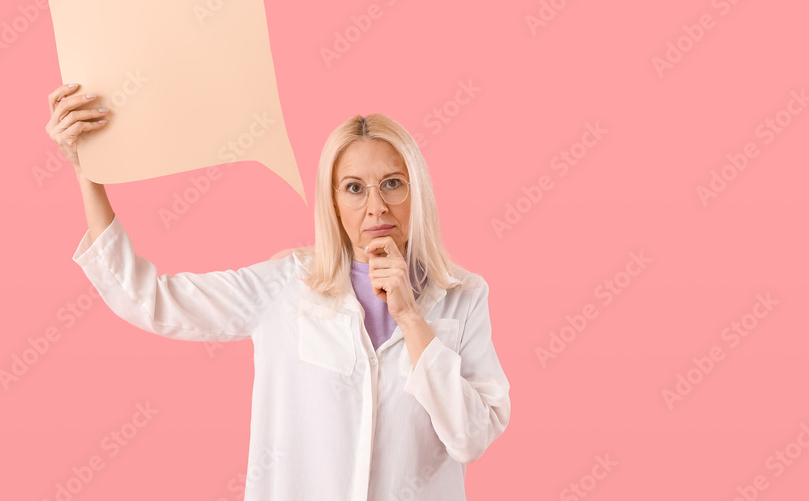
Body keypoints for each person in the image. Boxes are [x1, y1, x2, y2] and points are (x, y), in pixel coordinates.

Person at [45, 83, 511, 500]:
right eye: (354, 188)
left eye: (393, 183)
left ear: (418, 191)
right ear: (332, 201)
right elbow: (149, 300)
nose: (376, 207)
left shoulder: (463, 297)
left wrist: (412, 319)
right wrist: (90, 173)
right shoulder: (285, 285)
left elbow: (470, 439)